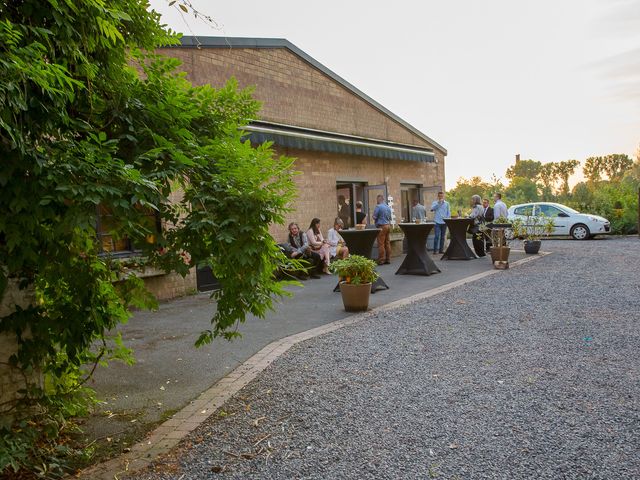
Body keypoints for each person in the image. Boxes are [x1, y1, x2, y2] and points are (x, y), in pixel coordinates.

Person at [372, 194, 392, 265]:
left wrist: (373, 216)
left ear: (379, 199)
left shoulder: (378, 206)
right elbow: (390, 218)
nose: (376, 201)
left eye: (377, 199)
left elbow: (374, 217)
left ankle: (381, 260)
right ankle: (388, 259)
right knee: (387, 242)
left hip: (381, 226)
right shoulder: (387, 207)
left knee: (381, 244)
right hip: (388, 225)